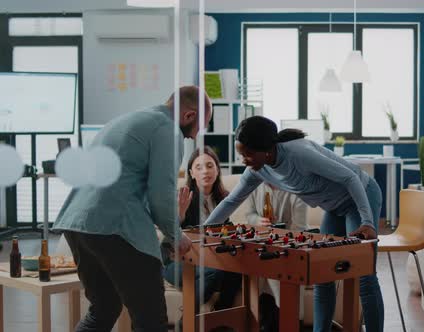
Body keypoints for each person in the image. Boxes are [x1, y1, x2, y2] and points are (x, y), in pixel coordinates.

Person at [53, 86, 212, 332]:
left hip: (77, 224)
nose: (194, 136)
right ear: (189, 116)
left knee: (103, 310)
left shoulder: (128, 119)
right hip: (115, 228)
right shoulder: (168, 130)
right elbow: (160, 194)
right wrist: (176, 236)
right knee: (151, 322)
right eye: (199, 128)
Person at [204, 116, 384, 332]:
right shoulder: (257, 169)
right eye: (241, 154)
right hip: (335, 208)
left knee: (364, 276)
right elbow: (232, 200)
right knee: (323, 275)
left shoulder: (299, 153)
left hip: (360, 194)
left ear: (266, 150)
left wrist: (367, 221)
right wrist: (204, 229)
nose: (243, 159)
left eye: (247, 154)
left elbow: (350, 179)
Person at [162, 146, 241, 310]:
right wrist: (180, 216)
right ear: (191, 173)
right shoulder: (182, 197)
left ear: (218, 170)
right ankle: (187, 320)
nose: (205, 171)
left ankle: (221, 315)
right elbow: (169, 234)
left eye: (210, 166)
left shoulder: (224, 199)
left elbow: (226, 231)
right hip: (175, 261)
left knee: (237, 271)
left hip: (208, 259)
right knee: (214, 271)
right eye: (199, 167)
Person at [245, 183, 308, 330]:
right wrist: (257, 221)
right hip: (260, 243)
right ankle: (267, 321)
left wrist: (279, 236)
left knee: (276, 273)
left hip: (291, 247)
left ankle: (287, 321)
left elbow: (300, 229)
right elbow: (249, 215)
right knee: (261, 271)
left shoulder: (297, 187)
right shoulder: (253, 184)